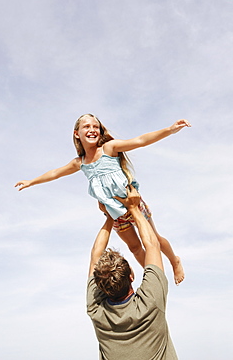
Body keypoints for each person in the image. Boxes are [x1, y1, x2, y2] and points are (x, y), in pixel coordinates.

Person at [15, 114, 191, 284]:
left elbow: (140, 141)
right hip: (115, 212)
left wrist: (170, 129)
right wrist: (32, 182)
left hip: (133, 203)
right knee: (135, 248)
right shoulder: (80, 163)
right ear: (77, 133)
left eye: (95, 126)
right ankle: (152, 277)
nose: (92, 130)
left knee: (154, 240)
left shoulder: (109, 149)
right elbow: (56, 173)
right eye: (87, 127)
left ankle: (174, 261)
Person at [87, 185, 178, 360]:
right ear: (131, 276)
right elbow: (152, 245)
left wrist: (109, 216)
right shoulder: (150, 303)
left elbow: (94, 256)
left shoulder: (96, 310)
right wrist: (133, 208)